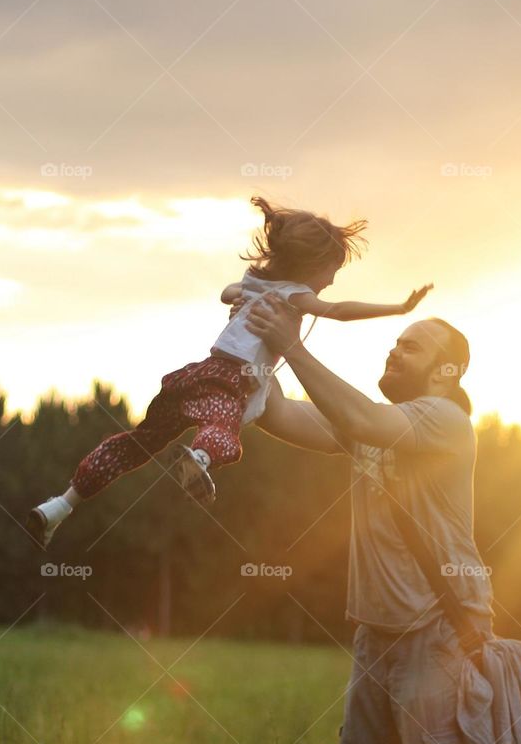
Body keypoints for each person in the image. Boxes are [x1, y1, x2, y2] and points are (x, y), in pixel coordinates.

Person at [248, 298, 494, 744]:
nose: (394, 350)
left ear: (447, 372)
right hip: (375, 637)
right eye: (397, 342)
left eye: (412, 346)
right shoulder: (372, 425)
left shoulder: (444, 421)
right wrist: (251, 340)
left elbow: (357, 415)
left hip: (437, 633)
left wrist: (297, 346)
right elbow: (279, 412)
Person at [25, 196, 432, 548]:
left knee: (137, 443)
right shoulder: (294, 294)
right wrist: (397, 309)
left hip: (194, 376)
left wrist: (241, 297)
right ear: (311, 265)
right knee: (225, 434)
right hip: (227, 382)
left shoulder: (254, 281)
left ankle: (60, 506)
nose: (330, 282)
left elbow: (226, 293)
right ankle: (200, 458)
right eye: (330, 272)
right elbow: (338, 312)